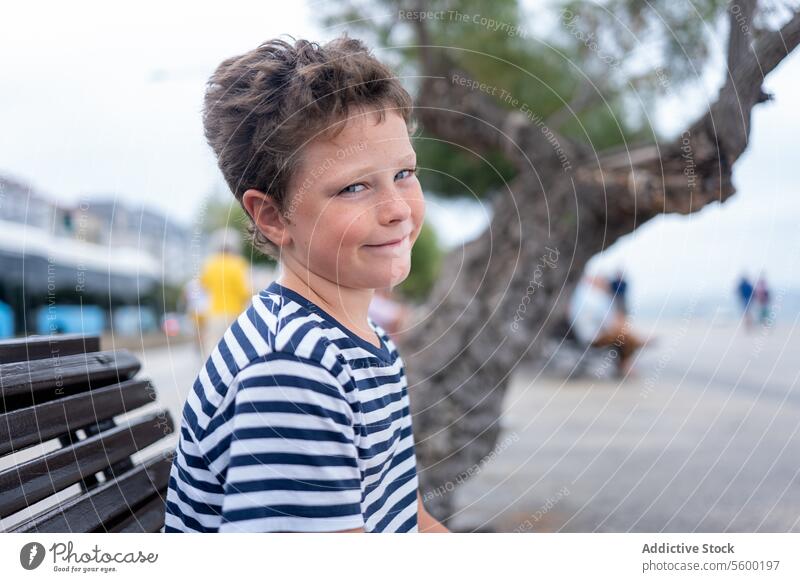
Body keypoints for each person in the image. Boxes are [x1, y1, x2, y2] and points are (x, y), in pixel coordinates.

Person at [165, 36, 448, 533]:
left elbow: (411, 519)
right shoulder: (293, 370)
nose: (398, 209)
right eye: (354, 187)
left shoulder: (366, 343)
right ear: (273, 217)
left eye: (404, 173)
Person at [569, 274, 645, 377]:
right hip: (593, 338)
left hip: (587, 335)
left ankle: (629, 356)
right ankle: (626, 363)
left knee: (623, 335)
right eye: (603, 280)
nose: (606, 283)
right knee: (624, 337)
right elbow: (609, 322)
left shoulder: (584, 297)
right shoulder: (594, 299)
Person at [198, 228, 252, 357]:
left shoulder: (209, 264)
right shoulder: (239, 264)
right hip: (235, 313)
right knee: (235, 349)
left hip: (213, 313)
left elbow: (203, 286)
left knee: (213, 349)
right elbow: (245, 291)